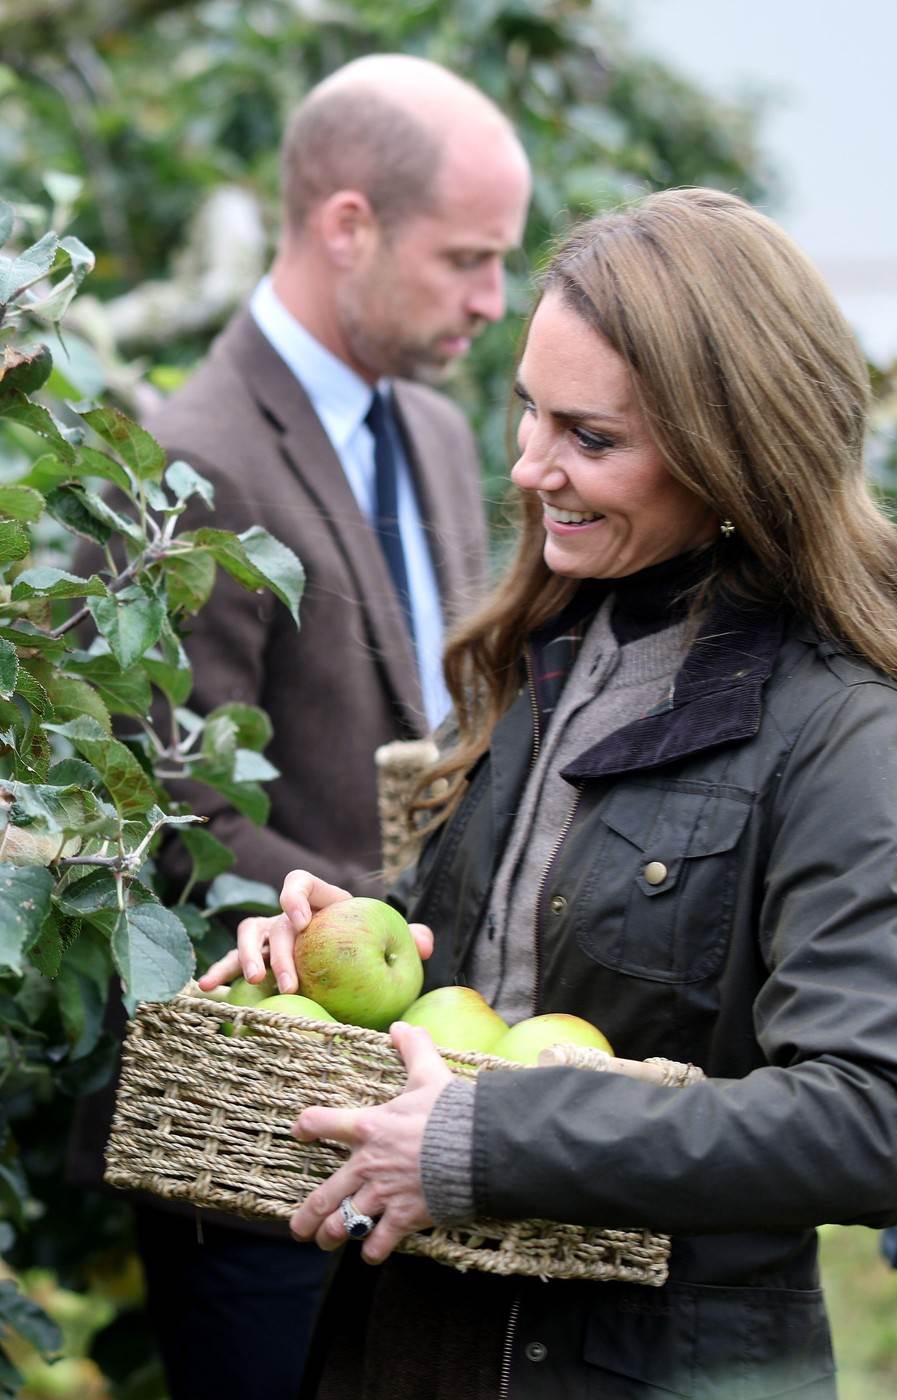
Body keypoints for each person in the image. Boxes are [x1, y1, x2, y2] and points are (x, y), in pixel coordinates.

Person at [202, 188, 897, 1400]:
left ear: (736, 446)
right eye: (527, 412)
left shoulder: (833, 719)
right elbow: (486, 959)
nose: (529, 466)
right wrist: (336, 944)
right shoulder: (560, 646)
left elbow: (872, 1119)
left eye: (590, 437)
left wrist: (489, 1141)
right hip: (415, 1337)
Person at [72, 53, 531, 1400]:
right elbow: (164, 802)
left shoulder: (439, 435)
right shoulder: (194, 456)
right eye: (465, 258)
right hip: (265, 1133)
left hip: (414, 1098)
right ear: (349, 226)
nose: (490, 300)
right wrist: (340, 935)